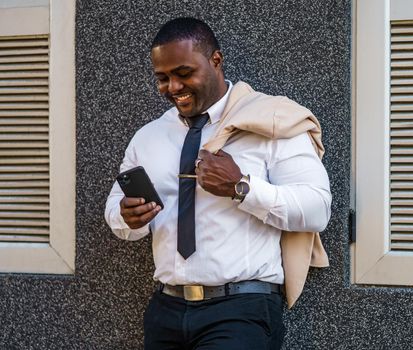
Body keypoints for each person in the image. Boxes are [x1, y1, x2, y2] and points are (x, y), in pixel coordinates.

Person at [105, 17, 331, 350]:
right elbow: (114, 208)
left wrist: (241, 188)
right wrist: (127, 216)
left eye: (183, 74)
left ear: (216, 61)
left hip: (239, 311)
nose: (173, 87)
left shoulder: (271, 122)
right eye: (162, 78)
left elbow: (317, 209)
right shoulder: (149, 137)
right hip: (166, 309)